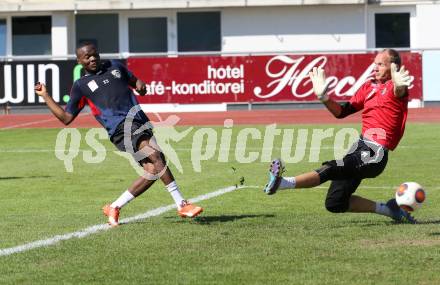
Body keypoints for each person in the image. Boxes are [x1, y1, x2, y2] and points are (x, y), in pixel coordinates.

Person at [35, 42, 203, 226]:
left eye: (94, 54)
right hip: (119, 127)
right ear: (79, 61)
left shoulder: (115, 66)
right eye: (87, 57)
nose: (92, 58)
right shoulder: (81, 85)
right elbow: (66, 117)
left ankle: (114, 207)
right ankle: (182, 204)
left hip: (139, 121)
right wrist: (45, 96)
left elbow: (135, 81)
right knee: (154, 155)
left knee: (153, 170)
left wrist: (141, 86)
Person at [263, 48, 416, 223]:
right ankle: (389, 210)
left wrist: (399, 84)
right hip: (359, 147)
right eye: (374, 64)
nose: (375, 68)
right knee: (335, 202)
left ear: (393, 67)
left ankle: (281, 182)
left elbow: (399, 90)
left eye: (380, 64)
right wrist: (324, 97)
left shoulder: (396, 87)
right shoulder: (369, 86)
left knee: (331, 168)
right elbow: (341, 112)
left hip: (375, 153)